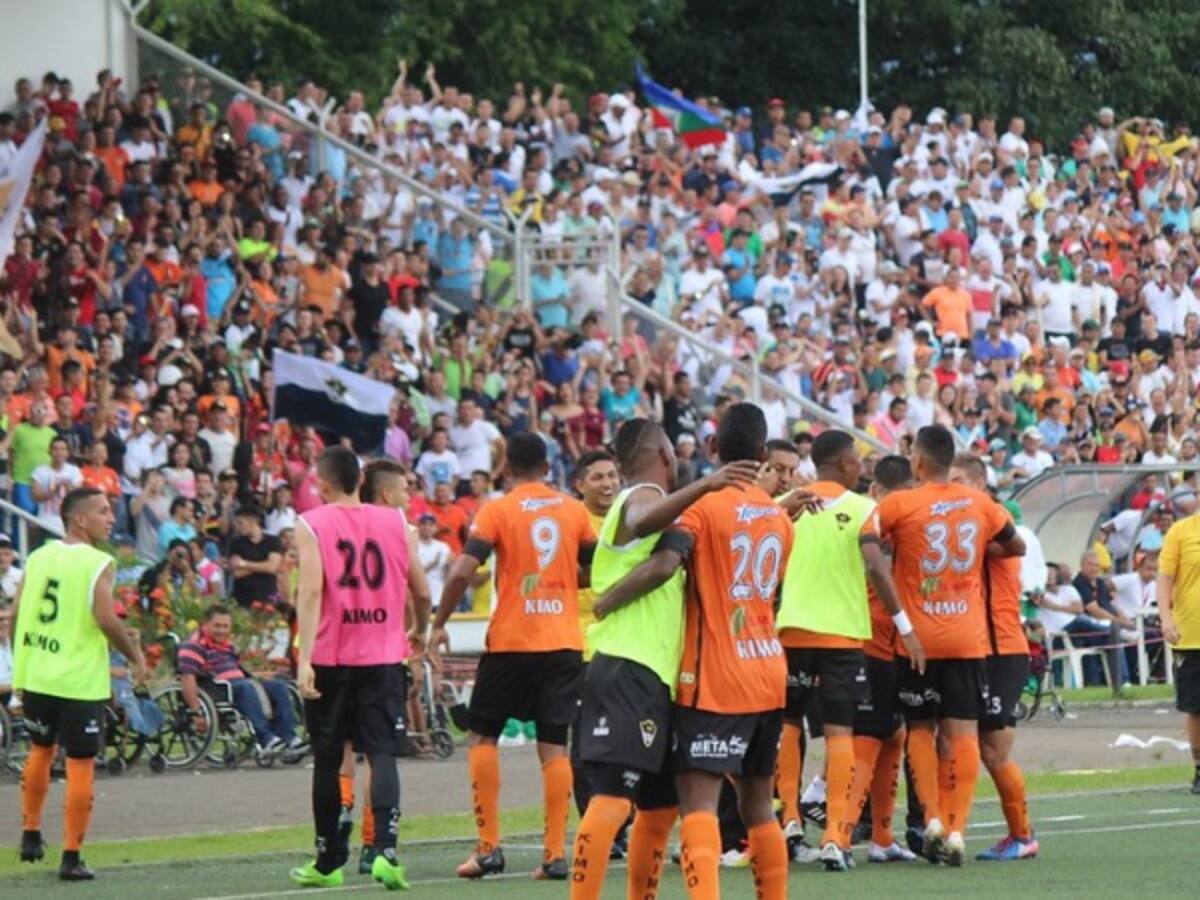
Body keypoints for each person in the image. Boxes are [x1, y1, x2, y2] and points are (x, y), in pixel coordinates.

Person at [569, 420, 760, 899]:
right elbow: (640, 520)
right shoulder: (642, 494)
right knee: (613, 798)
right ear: (662, 453)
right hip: (626, 664)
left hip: (655, 674)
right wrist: (707, 483)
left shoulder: (662, 507)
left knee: (656, 809)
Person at [430, 432, 597, 881]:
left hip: (511, 643)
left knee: (482, 738)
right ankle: (554, 854)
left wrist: (438, 622)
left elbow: (465, 569)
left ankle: (488, 849)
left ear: (507, 470)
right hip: (563, 642)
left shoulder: (497, 510)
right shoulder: (574, 509)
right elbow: (596, 568)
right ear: (548, 468)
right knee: (553, 746)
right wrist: (562, 580)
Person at [775, 430, 924, 870]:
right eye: (857, 461)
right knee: (840, 733)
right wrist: (904, 626)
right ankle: (836, 838)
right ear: (843, 464)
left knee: (788, 723)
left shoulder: (788, 507)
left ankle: (790, 816)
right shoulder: (863, 509)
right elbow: (876, 566)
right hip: (841, 636)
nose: (862, 467)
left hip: (792, 630)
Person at [878, 424, 1024, 866]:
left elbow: (866, 544)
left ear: (917, 462)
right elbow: (1014, 545)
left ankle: (934, 818)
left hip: (918, 637)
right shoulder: (981, 504)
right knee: (962, 735)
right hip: (968, 637)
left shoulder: (899, 503)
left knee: (920, 728)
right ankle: (957, 830)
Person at [292, 447, 431, 889]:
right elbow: (422, 592)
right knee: (383, 753)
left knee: (330, 759)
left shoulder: (311, 523)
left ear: (325, 483)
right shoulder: (397, 523)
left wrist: (304, 657)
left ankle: (328, 861)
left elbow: (311, 591)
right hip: (385, 657)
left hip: (333, 657)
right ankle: (386, 852)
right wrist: (421, 630)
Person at [13, 487, 146, 880]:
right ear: (79, 519)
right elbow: (105, 618)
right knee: (80, 765)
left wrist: (24, 665)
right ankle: (71, 856)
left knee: (39, 750)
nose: (111, 518)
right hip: (77, 681)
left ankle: (31, 833)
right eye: (103, 511)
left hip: (37, 673)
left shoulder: (38, 556)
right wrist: (136, 656)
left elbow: (18, 612)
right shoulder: (97, 561)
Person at [949, 453, 1039, 861]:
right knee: (963, 742)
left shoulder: (992, 516)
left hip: (1003, 648)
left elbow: (999, 548)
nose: (948, 488)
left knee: (993, 750)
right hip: (977, 647)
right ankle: (948, 828)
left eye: (956, 480)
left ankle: (1022, 835)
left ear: (978, 485)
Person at [844, 455, 920, 863]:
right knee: (868, 737)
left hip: (887, 643)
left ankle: (883, 837)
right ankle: (838, 835)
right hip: (874, 638)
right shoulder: (871, 521)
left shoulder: (889, 520)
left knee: (894, 735)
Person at [567, 449, 621, 831]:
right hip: (582, 643)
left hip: (628, 643)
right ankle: (596, 823)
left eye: (612, 476)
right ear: (580, 484)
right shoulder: (572, 520)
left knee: (625, 737)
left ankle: (622, 817)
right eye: (598, 477)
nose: (608, 484)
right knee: (586, 740)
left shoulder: (630, 515)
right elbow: (565, 574)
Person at [177, 604, 302, 755]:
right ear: (205, 624)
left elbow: (238, 669)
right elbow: (187, 678)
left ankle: (288, 737)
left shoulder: (227, 645)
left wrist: (259, 675)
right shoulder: (193, 646)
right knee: (246, 687)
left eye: (225, 626)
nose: (222, 631)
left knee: (278, 686)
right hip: (217, 689)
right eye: (217, 626)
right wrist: (196, 712)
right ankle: (266, 739)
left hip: (240, 681)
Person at [1157, 489, 1200, 794]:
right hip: (1191, 635)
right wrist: (1165, 617)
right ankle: (1199, 768)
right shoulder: (1181, 532)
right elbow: (1165, 578)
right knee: (1195, 708)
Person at [228, 505, 283, 609]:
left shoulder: (273, 541)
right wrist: (263, 564)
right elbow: (237, 572)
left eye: (240, 523)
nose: (237, 526)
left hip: (268, 597)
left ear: (253, 521)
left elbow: (271, 567)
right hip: (242, 599)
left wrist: (244, 563)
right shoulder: (235, 543)